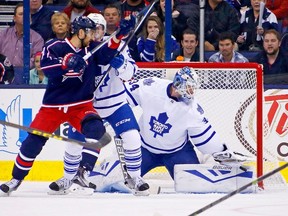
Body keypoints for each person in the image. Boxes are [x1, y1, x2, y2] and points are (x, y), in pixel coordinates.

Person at [0, 15, 136, 196]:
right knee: (32, 143)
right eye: (89, 32)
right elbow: (47, 68)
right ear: (80, 32)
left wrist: (120, 36)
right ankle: (15, 179)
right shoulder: (55, 46)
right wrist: (66, 62)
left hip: (80, 106)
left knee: (95, 129)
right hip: (52, 107)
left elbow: (106, 55)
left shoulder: (92, 49)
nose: (92, 36)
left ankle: (82, 173)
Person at [49, 13, 150, 196]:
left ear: (104, 29)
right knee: (74, 142)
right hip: (87, 106)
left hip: (115, 104)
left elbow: (131, 73)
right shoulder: (78, 49)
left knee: (132, 137)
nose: (96, 32)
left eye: (99, 28)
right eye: (92, 29)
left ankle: (135, 177)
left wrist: (121, 65)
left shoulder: (116, 45)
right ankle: (67, 178)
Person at [124, 67, 246, 179]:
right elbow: (122, 97)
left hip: (177, 153)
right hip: (143, 149)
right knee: (121, 179)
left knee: (194, 183)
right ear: (178, 83)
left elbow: (206, 138)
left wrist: (223, 153)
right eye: (189, 87)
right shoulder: (151, 87)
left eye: (193, 87)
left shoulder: (193, 109)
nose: (192, 91)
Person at [0, 3, 44, 69]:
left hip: (26, 74)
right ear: (14, 18)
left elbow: (37, 59)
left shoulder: (37, 39)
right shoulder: (3, 34)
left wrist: (21, 69)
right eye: (21, 14)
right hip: (4, 73)